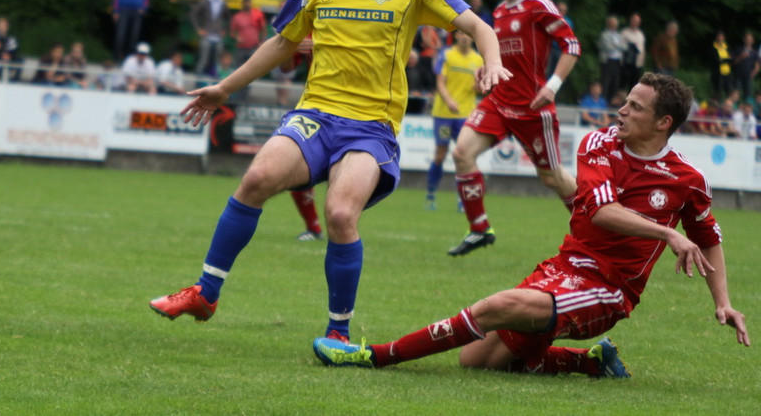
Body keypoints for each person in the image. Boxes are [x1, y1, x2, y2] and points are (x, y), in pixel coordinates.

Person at [149, 0, 509, 342]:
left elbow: (479, 27)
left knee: (340, 215)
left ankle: (338, 333)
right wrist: (224, 88)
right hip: (315, 114)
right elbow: (283, 42)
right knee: (256, 179)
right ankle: (206, 292)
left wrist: (493, 62)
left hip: (371, 127)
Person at [313, 73, 750, 375]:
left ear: (663, 122)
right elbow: (600, 211)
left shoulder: (686, 179)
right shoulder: (599, 143)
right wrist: (667, 232)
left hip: (610, 289)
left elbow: (708, 237)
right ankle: (589, 363)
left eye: (634, 107)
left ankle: (373, 356)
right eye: (625, 101)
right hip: (565, 265)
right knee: (476, 362)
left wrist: (723, 302)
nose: (621, 110)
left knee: (496, 306)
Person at [448, 0, 581, 256]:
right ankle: (479, 229)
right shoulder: (499, 12)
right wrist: (486, 68)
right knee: (462, 153)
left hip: (533, 107)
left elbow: (571, 45)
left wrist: (553, 86)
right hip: (499, 101)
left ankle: (593, 224)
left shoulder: (537, 6)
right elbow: (500, 55)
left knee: (552, 178)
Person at [426, 32, 483, 210]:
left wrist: (480, 87)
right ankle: (431, 194)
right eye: (462, 33)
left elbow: (482, 87)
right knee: (440, 154)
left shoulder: (478, 60)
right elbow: (440, 83)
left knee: (464, 156)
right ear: (457, 35)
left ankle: (462, 199)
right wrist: (449, 100)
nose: (465, 37)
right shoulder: (447, 54)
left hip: (466, 116)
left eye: (468, 34)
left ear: (472, 38)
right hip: (444, 115)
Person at [191, 0, 230, 76]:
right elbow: (193, 15)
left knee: (217, 60)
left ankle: (216, 79)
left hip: (218, 35)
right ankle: (198, 78)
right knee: (203, 58)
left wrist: (224, 30)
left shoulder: (222, 3)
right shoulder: (204, 2)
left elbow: (228, 18)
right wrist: (198, 29)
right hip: (207, 34)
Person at [230, 0, 267, 69]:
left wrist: (261, 42)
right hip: (241, 48)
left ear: (251, 3)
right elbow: (232, 32)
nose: (246, 4)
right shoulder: (237, 17)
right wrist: (237, 37)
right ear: (242, 4)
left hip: (254, 47)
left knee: (253, 69)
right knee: (238, 68)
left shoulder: (257, 14)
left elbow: (263, 29)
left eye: (248, 2)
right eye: (245, 2)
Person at [598, 15, 624, 105]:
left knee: (615, 82)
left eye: (616, 25)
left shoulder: (619, 35)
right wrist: (618, 46)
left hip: (617, 61)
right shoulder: (604, 35)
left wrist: (616, 45)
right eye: (613, 24)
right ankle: (603, 102)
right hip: (608, 61)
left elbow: (624, 47)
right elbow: (608, 47)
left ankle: (612, 102)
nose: (615, 26)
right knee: (606, 82)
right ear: (609, 24)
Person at [619, 12, 646, 92]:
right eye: (634, 21)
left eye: (637, 22)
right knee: (623, 85)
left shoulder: (640, 34)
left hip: (637, 64)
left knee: (634, 86)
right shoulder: (624, 33)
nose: (635, 23)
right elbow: (620, 47)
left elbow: (642, 49)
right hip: (626, 64)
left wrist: (642, 60)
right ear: (630, 21)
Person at [731, 32, 759, 101]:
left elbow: (757, 66)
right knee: (736, 94)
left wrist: (752, 75)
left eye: (750, 39)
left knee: (748, 95)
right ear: (744, 40)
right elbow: (733, 63)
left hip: (748, 76)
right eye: (747, 39)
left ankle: (746, 107)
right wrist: (741, 57)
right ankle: (735, 106)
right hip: (738, 76)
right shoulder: (738, 49)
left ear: (753, 41)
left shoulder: (754, 52)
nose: (748, 41)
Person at [0, 16, 22, 81]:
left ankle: (14, 81)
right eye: (0, 25)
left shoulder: (11, 39)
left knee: (19, 60)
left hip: (9, 62)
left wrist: (7, 55)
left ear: (7, 27)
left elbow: (13, 52)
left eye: (4, 26)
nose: (2, 28)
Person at [710, 30, 733, 99]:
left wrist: (723, 59)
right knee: (718, 92)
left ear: (724, 38)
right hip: (718, 74)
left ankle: (728, 103)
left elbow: (731, 59)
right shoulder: (713, 47)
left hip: (727, 73)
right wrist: (726, 59)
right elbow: (716, 60)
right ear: (716, 38)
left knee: (729, 91)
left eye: (722, 37)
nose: (720, 38)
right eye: (719, 37)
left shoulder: (727, 47)